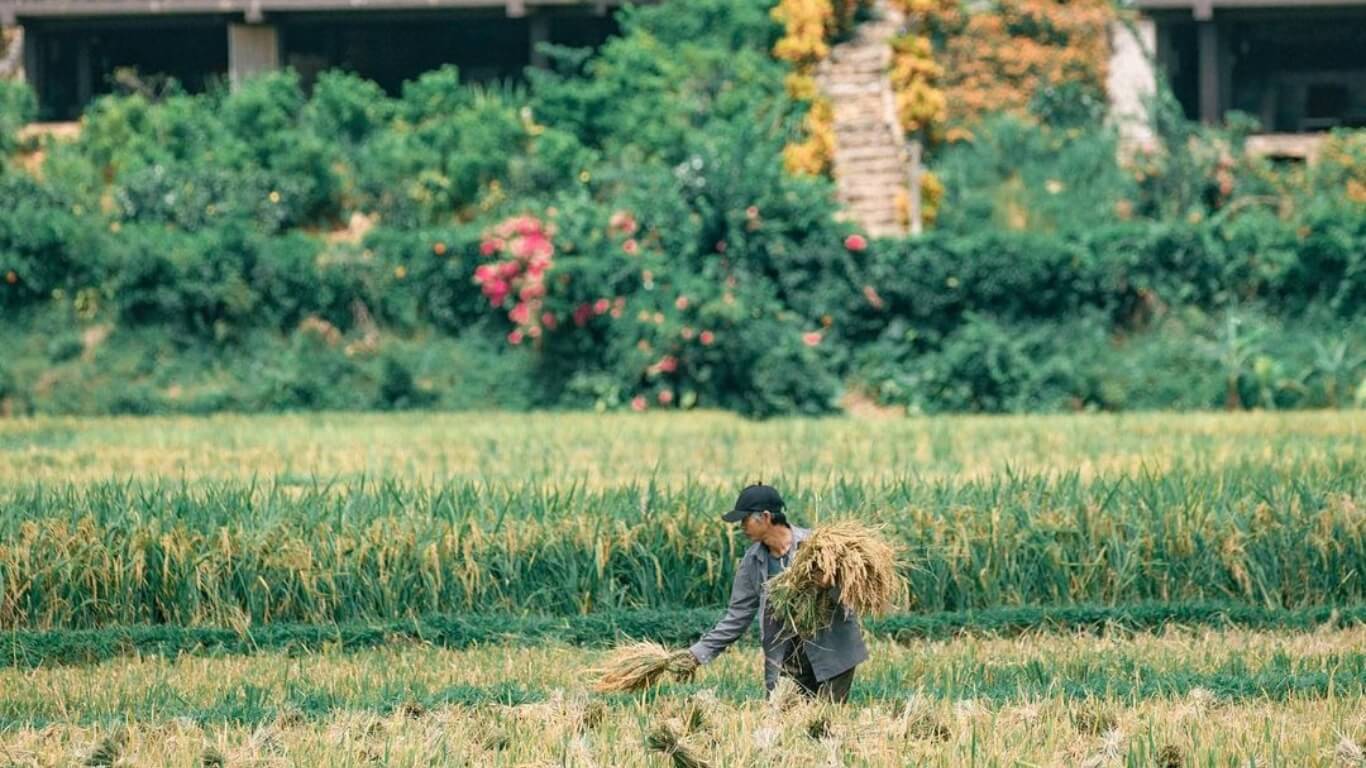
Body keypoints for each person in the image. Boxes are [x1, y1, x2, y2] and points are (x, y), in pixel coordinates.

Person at [679, 483, 867, 702]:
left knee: (824, 722)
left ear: (765, 517)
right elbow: (737, 616)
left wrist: (830, 584)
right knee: (784, 720)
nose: (741, 526)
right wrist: (697, 654)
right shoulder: (752, 561)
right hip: (789, 656)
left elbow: (857, 592)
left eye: (744, 519)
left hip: (832, 649)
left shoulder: (818, 546)